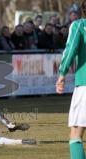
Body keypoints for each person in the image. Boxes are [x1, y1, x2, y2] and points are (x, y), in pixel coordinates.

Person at [56, 1, 86, 159]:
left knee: (76, 134)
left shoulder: (80, 25)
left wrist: (61, 75)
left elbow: (70, 50)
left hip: (85, 85)